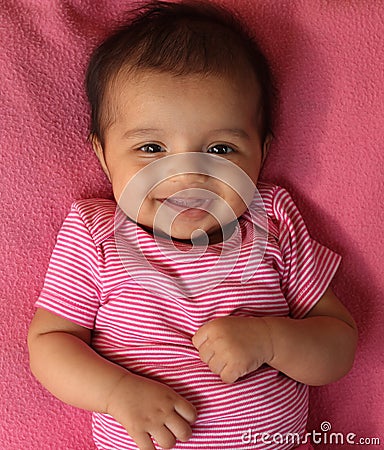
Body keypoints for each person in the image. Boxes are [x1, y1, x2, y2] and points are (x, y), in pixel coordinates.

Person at [27, 1, 358, 449]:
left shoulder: (273, 221)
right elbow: (50, 343)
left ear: (261, 153)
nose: (186, 175)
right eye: (151, 148)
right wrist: (116, 392)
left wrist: (271, 340)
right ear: (104, 155)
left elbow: (338, 346)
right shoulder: (96, 234)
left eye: (221, 150)